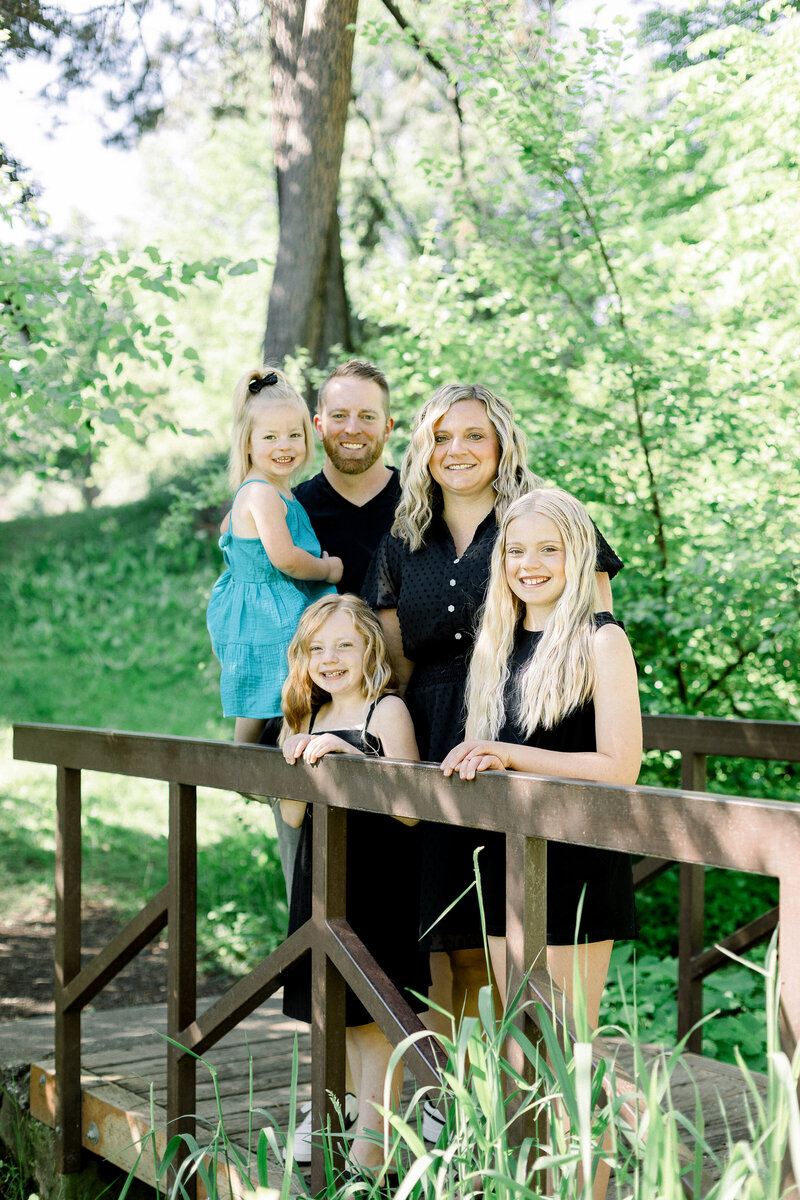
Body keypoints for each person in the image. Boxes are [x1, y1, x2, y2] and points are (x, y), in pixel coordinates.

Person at [362, 384, 623, 1042]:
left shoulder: (544, 520)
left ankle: (510, 1107)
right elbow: (392, 669)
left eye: (474, 434)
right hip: (431, 739)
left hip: (526, 729)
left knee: (507, 927)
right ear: (421, 449)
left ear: (502, 441)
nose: (457, 450)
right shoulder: (403, 540)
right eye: (441, 437)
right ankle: (451, 1097)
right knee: (443, 933)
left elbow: (590, 634)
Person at [441, 487, 641, 1200]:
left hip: (577, 865)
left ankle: (593, 1188)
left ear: (577, 554)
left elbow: (621, 767)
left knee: (570, 1051)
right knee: (520, 1045)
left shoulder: (600, 638)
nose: (530, 564)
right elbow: (493, 748)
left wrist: (505, 755)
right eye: (516, 550)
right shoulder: (497, 641)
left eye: (548, 549)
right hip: (504, 861)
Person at [279, 594, 429, 1172]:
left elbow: (411, 811)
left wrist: (349, 756)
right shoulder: (304, 715)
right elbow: (293, 816)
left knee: (374, 1026)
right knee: (334, 1016)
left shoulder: (385, 711)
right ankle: (338, 1135)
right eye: (318, 648)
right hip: (320, 881)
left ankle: (372, 1157)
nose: (330, 658)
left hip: (378, 883)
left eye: (344, 644)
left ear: (371, 647)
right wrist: (292, 758)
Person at [206, 368, 343, 745]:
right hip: (266, 607)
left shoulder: (268, 489)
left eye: (294, 436)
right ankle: (248, 759)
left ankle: (263, 757)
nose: (285, 446)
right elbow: (286, 559)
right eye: (270, 437)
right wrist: (327, 569)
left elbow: (225, 530)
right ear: (247, 444)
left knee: (276, 683)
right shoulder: (262, 493)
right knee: (279, 684)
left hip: (266, 597)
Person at [293, 359, 399, 596]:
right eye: (340, 415)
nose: (352, 428)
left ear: (387, 429)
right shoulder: (293, 511)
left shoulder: (421, 503)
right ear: (319, 427)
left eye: (367, 417)